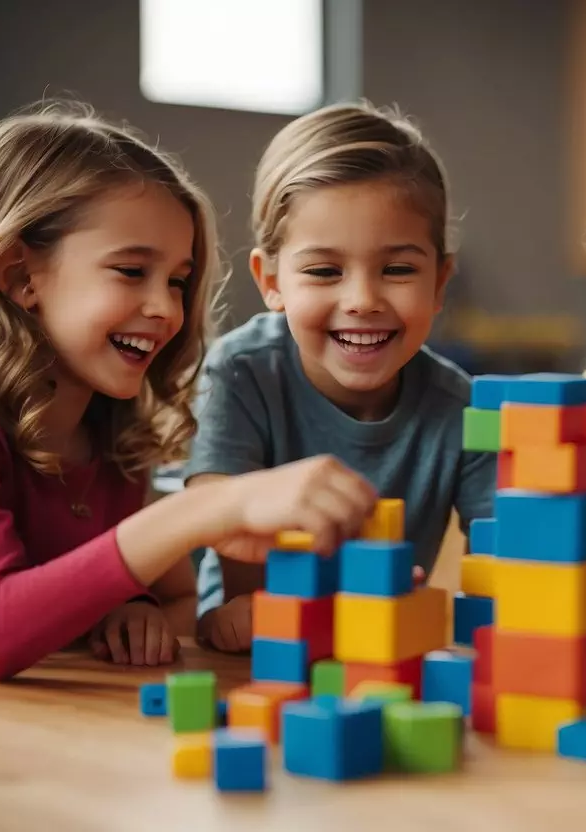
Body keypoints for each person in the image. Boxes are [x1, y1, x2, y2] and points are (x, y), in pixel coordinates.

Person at [0, 102, 379, 679]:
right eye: (130, 271)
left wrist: (132, 606)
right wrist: (208, 507)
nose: (165, 307)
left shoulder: (109, 437)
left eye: (177, 280)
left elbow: (175, 595)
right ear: (19, 276)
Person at [187, 102, 495, 652]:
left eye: (398, 270)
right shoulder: (240, 369)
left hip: (383, 651)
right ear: (271, 279)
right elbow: (216, 512)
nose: (362, 301)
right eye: (325, 271)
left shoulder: (464, 407)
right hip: (250, 643)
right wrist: (253, 613)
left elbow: (505, 565)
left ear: (440, 281)